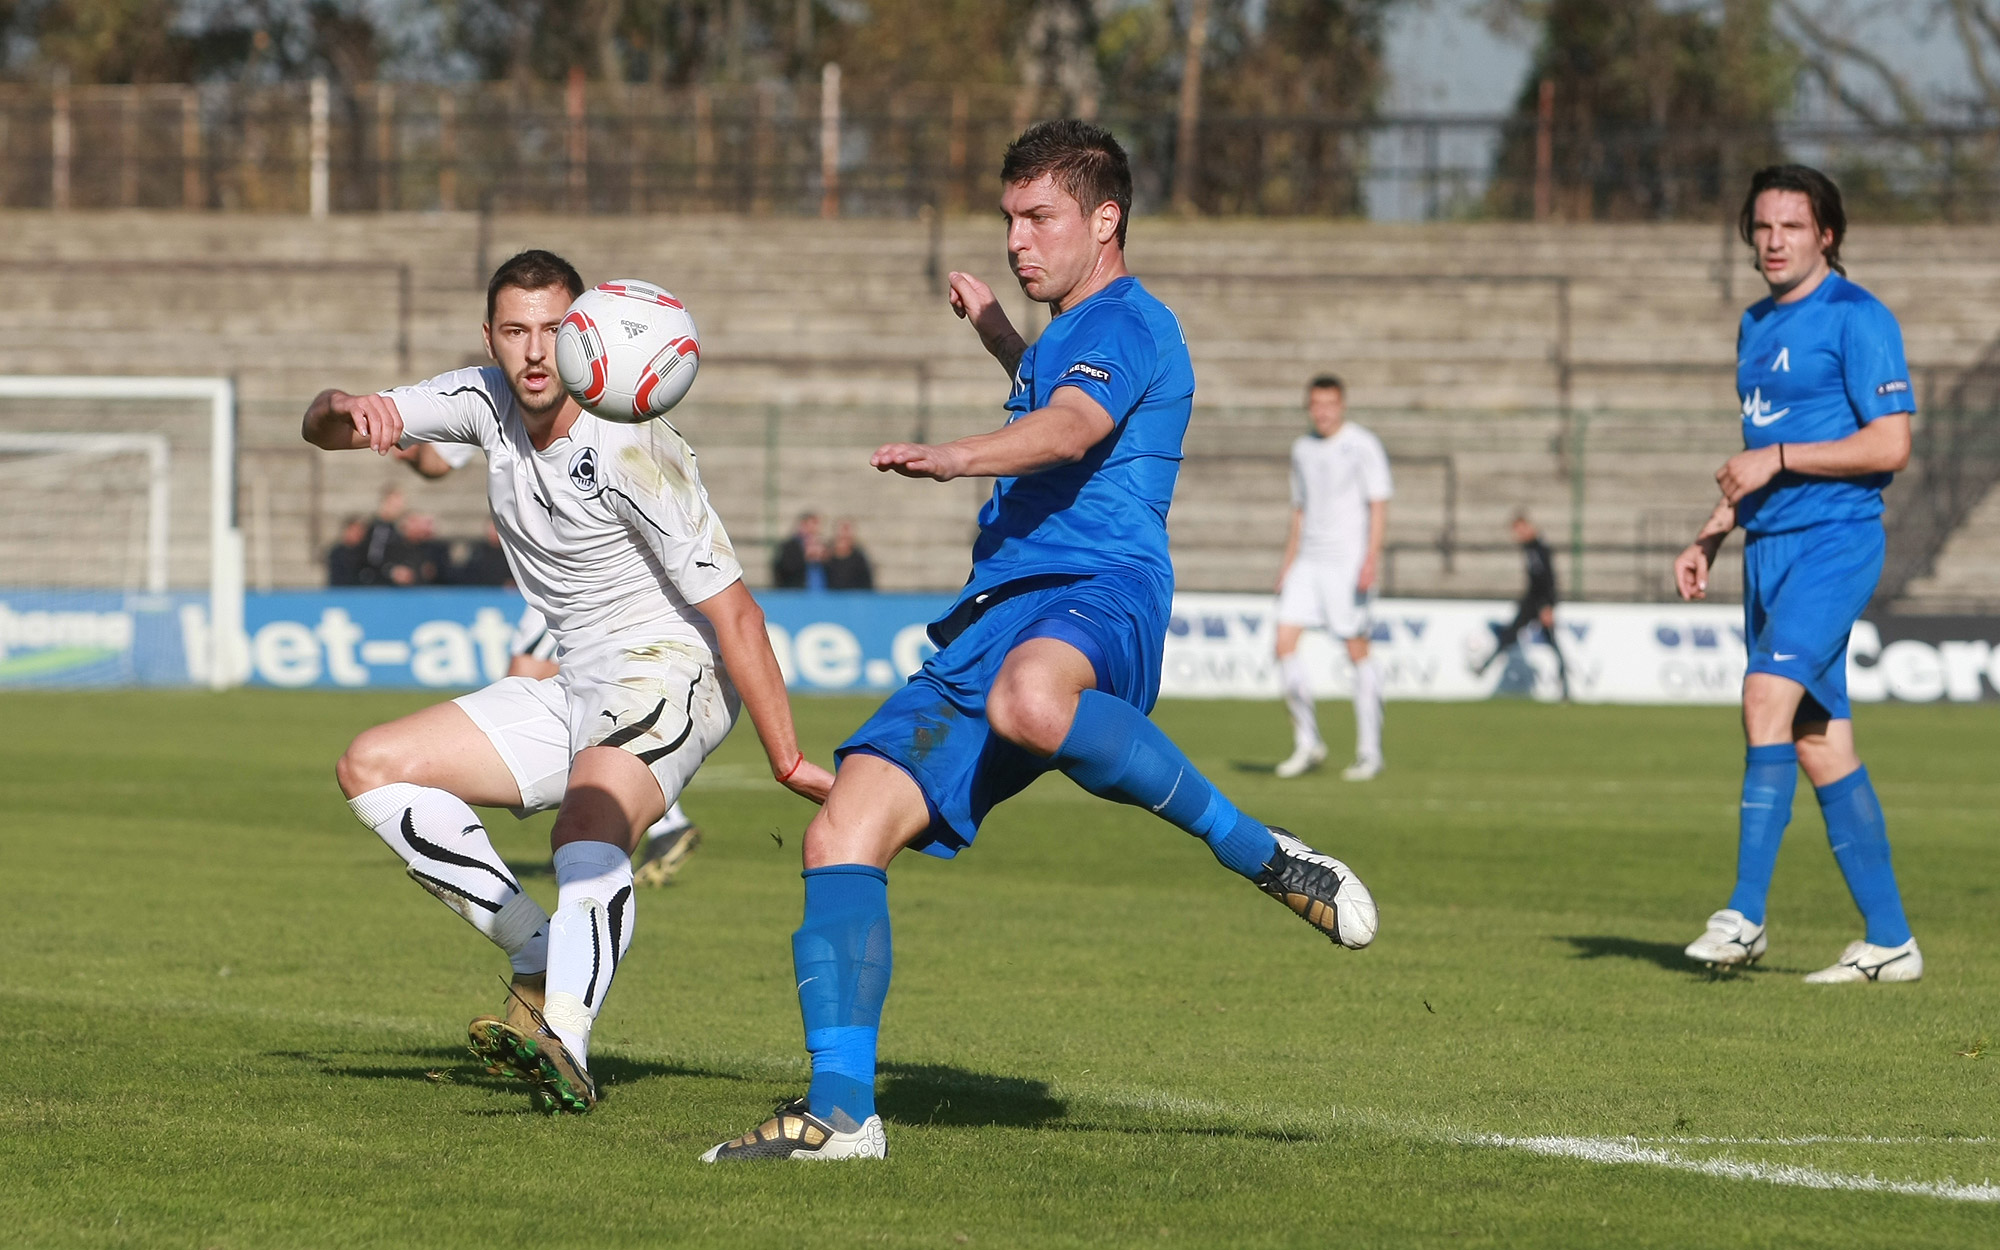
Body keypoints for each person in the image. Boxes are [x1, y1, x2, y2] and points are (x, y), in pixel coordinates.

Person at [701, 120, 1376, 1164]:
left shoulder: (1131, 320)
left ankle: (1261, 850)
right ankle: (840, 1112)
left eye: (1039, 217)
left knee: (1030, 700)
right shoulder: (1063, 335)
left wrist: (953, 454)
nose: (1018, 240)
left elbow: (1067, 429)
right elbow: (1049, 390)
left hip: (1098, 589)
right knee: (840, 830)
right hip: (994, 611)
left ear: (1103, 221)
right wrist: (999, 338)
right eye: (1008, 218)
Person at [301, 249, 832, 1114]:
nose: (535, 351)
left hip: (670, 667)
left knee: (588, 824)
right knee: (372, 764)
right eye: (516, 330)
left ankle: (567, 1039)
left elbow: (736, 615)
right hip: (574, 669)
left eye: (554, 328)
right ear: (491, 337)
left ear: (584, 332)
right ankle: (538, 954)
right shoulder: (482, 399)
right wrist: (343, 408)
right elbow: (326, 426)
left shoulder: (632, 447)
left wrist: (789, 759)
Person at [1674, 165, 1920, 984]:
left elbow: (1889, 444)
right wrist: (1713, 532)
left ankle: (1744, 917)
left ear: (1828, 235)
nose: (1775, 241)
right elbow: (1757, 459)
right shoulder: (1753, 325)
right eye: (1763, 227)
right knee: (1819, 745)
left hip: (1835, 540)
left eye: (1793, 226)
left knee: (1762, 699)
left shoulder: (1858, 317)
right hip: (1768, 548)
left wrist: (1778, 455)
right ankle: (1891, 941)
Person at [506, 603, 705, 887]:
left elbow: (527, 670)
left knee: (525, 690)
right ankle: (600, 835)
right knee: (588, 703)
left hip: (565, 585)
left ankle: (607, 834)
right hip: (597, 595)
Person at [1271, 375, 1392, 781]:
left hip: (1347, 561)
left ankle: (1369, 751)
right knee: (1283, 644)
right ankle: (1308, 742)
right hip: (1308, 560)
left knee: (1356, 648)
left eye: (1329, 404)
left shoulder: (1362, 444)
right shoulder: (1302, 449)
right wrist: (1288, 565)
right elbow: (1299, 510)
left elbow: (1378, 504)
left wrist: (1371, 559)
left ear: (1342, 405)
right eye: (1315, 404)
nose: (1322, 411)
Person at [1478, 509, 1569, 699]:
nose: (1517, 535)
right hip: (1531, 602)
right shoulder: (1529, 548)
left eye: (1519, 530)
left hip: (1540, 603)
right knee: (1511, 634)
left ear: (1528, 527)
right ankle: (1484, 666)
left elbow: (1548, 580)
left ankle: (1565, 688)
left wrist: (1548, 606)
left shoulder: (1540, 548)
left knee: (1552, 643)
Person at [771, 512, 824, 589]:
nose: (815, 529)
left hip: (821, 593)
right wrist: (805, 556)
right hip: (796, 593)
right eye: (811, 526)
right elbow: (785, 569)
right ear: (802, 525)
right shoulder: (789, 546)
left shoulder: (822, 546)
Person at [823, 518, 874, 590]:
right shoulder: (826, 557)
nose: (844, 534)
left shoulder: (859, 558)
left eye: (847, 530)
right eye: (843, 529)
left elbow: (867, 584)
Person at [326, 516, 368, 586]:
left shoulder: (366, 553)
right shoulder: (336, 553)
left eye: (359, 531)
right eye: (354, 531)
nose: (357, 534)